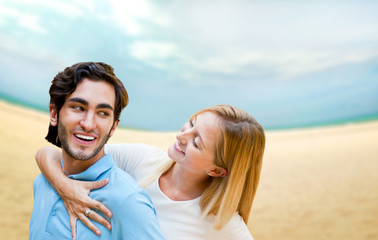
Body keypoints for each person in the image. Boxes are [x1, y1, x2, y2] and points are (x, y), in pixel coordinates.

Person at [36, 104, 266, 239]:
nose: (181, 136)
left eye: (196, 142)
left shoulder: (224, 224)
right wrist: (67, 188)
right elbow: (52, 154)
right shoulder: (141, 160)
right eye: (191, 123)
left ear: (217, 170)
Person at [29, 62, 165, 240]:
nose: (88, 124)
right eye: (78, 107)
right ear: (54, 114)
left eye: (103, 113)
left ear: (113, 127)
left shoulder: (128, 201)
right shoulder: (43, 181)